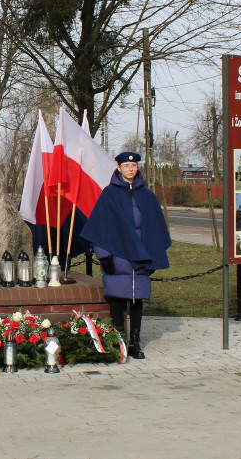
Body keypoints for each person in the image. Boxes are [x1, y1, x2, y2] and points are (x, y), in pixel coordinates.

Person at [80, 152, 171, 359]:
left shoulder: (147, 196)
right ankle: (119, 342)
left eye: (134, 165)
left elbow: (157, 229)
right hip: (117, 256)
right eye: (126, 165)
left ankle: (135, 343)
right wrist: (104, 256)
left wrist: (155, 254)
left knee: (137, 300)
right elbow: (99, 229)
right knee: (117, 301)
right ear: (118, 168)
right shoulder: (109, 194)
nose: (131, 169)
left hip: (142, 256)